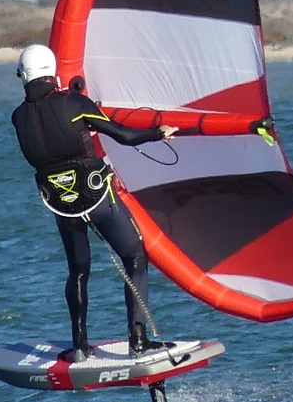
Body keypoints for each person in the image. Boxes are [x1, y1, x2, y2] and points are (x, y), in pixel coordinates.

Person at [11, 44, 177, 362]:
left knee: (78, 271)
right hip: (98, 197)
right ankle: (138, 341)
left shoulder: (18, 117)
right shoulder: (74, 103)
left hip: (62, 206)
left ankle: (79, 347)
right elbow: (123, 135)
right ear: (52, 71)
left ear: (24, 76)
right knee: (134, 256)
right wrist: (158, 133)